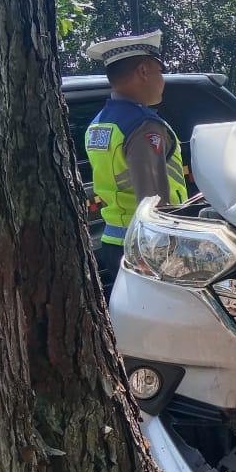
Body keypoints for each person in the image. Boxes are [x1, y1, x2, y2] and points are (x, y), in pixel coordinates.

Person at [84, 30, 187, 290]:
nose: (162, 81)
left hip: (113, 238)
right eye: (160, 72)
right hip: (147, 246)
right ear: (143, 71)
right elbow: (152, 198)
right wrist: (166, 253)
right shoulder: (144, 125)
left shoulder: (99, 124)